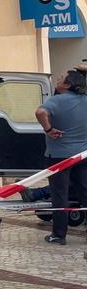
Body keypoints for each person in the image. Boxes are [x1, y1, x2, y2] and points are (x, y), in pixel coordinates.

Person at [35, 68, 87, 245]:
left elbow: (40, 112)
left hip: (59, 156)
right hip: (83, 155)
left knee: (60, 196)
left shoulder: (56, 100)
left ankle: (59, 234)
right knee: (85, 192)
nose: (58, 79)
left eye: (61, 78)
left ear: (68, 84)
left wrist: (48, 129)